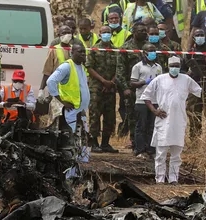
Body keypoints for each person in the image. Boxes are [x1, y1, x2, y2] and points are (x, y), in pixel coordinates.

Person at [140, 56, 202, 185]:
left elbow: (199, 92)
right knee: (161, 152)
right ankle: (160, 179)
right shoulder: (159, 80)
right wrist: (154, 111)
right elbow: (146, 96)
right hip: (163, 120)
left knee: (176, 153)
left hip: (179, 120)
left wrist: (188, 104)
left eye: (177, 66)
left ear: (180, 67)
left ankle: (174, 178)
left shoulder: (186, 80)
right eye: (172, 66)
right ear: (168, 66)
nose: (175, 68)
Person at [47, 42, 91, 169]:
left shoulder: (81, 67)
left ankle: (81, 170)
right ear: (72, 53)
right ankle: (68, 171)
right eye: (80, 52)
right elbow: (51, 82)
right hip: (71, 112)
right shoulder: (66, 67)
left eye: (84, 52)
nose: (83, 54)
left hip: (80, 112)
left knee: (83, 140)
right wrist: (62, 101)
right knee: (70, 142)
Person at [86, 25, 119, 153]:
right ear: (99, 34)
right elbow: (89, 67)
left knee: (109, 116)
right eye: (104, 32)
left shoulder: (115, 50)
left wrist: (111, 82)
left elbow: (119, 68)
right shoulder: (94, 49)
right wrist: (103, 81)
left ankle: (105, 143)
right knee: (95, 115)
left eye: (108, 32)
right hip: (96, 87)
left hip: (110, 88)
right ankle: (93, 142)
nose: (106, 34)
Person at [117, 23, 148, 147]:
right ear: (134, 32)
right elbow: (120, 71)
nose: (144, 33)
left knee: (147, 116)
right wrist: (125, 88)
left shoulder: (150, 47)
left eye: (145, 31)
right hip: (132, 88)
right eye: (140, 31)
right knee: (132, 116)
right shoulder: (126, 47)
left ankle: (146, 142)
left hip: (148, 88)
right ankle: (134, 141)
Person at [130, 43, 163, 158]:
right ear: (144, 53)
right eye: (150, 51)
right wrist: (144, 82)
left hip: (154, 100)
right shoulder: (138, 67)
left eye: (154, 50)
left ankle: (150, 149)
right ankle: (139, 149)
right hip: (141, 100)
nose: (153, 53)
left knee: (152, 126)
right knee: (141, 125)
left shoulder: (158, 67)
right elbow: (132, 83)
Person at [40, 25, 75, 93]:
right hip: (57, 89)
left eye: (68, 33)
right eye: (64, 33)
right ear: (59, 35)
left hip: (72, 88)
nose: (67, 35)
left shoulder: (75, 49)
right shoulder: (54, 50)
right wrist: (41, 89)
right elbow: (47, 71)